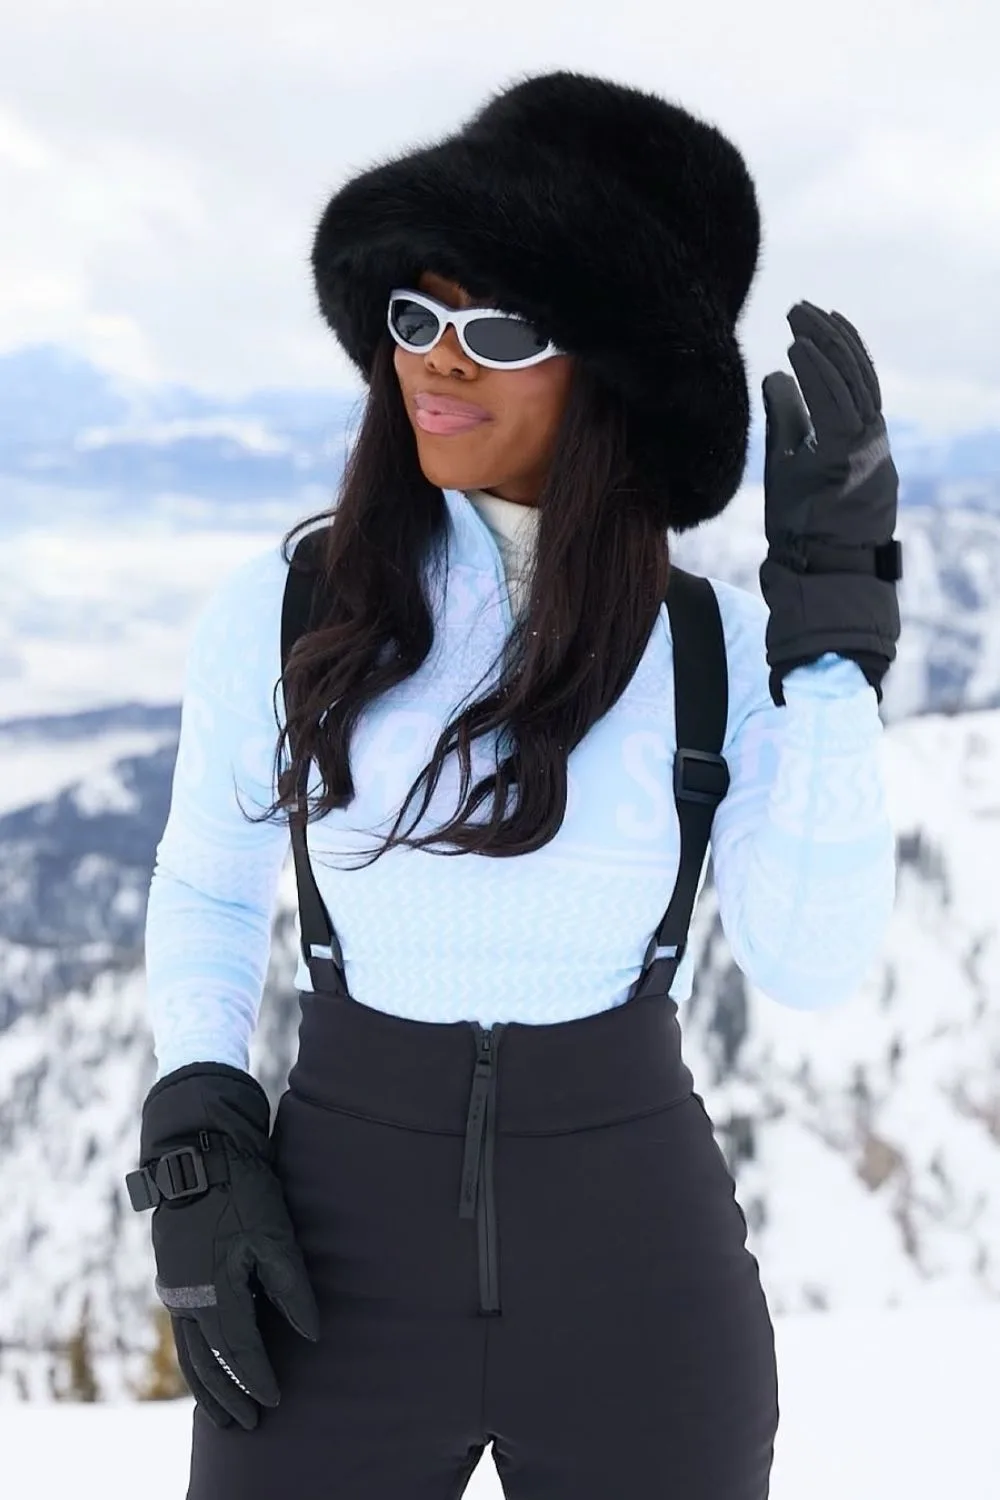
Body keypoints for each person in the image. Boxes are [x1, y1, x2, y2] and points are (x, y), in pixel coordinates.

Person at [125, 69, 902, 1500]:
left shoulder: (710, 650)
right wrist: (199, 1124)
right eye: (415, 316)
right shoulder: (291, 607)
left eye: (498, 325)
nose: (437, 359)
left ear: (609, 365)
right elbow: (209, 888)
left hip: (638, 1285)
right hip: (327, 1269)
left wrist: (836, 657)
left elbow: (810, 959)